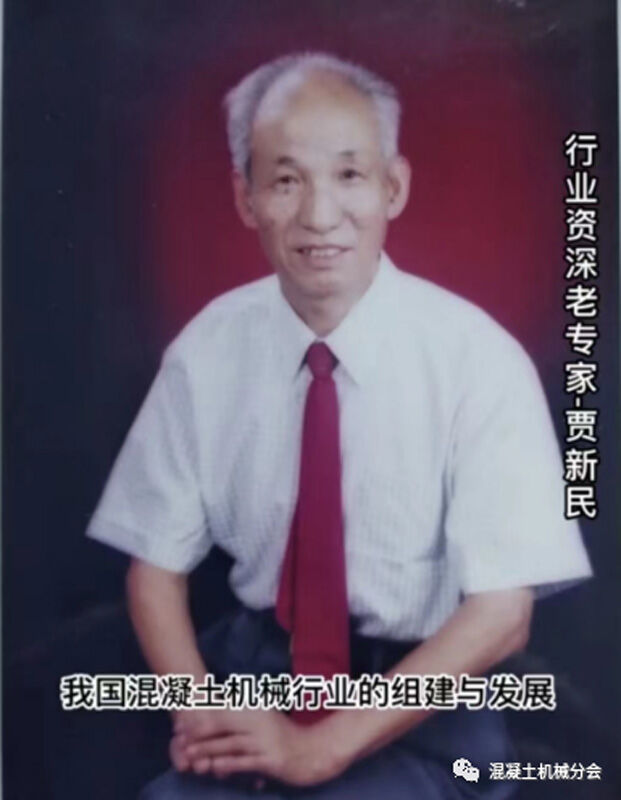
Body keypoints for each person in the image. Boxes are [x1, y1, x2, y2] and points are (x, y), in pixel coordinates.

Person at [86, 52, 592, 799]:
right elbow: (154, 570)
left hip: (424, 701)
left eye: (349, 175)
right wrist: (201, 713)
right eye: (286, 181)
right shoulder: (208, 349)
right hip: (257, 674)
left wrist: (318, 751)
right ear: (246, 197)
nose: (319, 216)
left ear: (393, 187)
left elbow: (502, 617)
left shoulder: (476, 359)